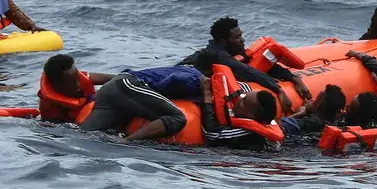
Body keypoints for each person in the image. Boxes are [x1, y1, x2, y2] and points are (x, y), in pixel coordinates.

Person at [81, 65, 278, 146]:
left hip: (116, 90)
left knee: (84, 135)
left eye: (244, 100)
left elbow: (241, 86)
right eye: (242, 97)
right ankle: (127, 143)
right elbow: (161, 82)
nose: (239, 99)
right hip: (126, 87)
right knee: (177, 118)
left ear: (254, 113)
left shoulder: (226, 90)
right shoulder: (192, 80)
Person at [179, 16, 309, 109]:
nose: (242, 40)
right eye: (237, 37)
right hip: (185, 81)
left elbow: (261, 66)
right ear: (224, 41)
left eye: (241, 35)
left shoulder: (231, 51)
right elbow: (247, 71)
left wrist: (294, 78)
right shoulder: (218, 55)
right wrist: (278, 89)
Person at [38, 54, 112, 122]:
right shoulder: (50, 110)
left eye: (78, 77)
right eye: (72, 82)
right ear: (57, 86)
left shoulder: (72, 77)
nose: (79, 84)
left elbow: (110, 78)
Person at [283, 84, 347, 137]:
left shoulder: (311, 122)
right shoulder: (336, 120)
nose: (312, 101)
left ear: (319, 105)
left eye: (315, 100)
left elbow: (278, 126)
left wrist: (299, 113)